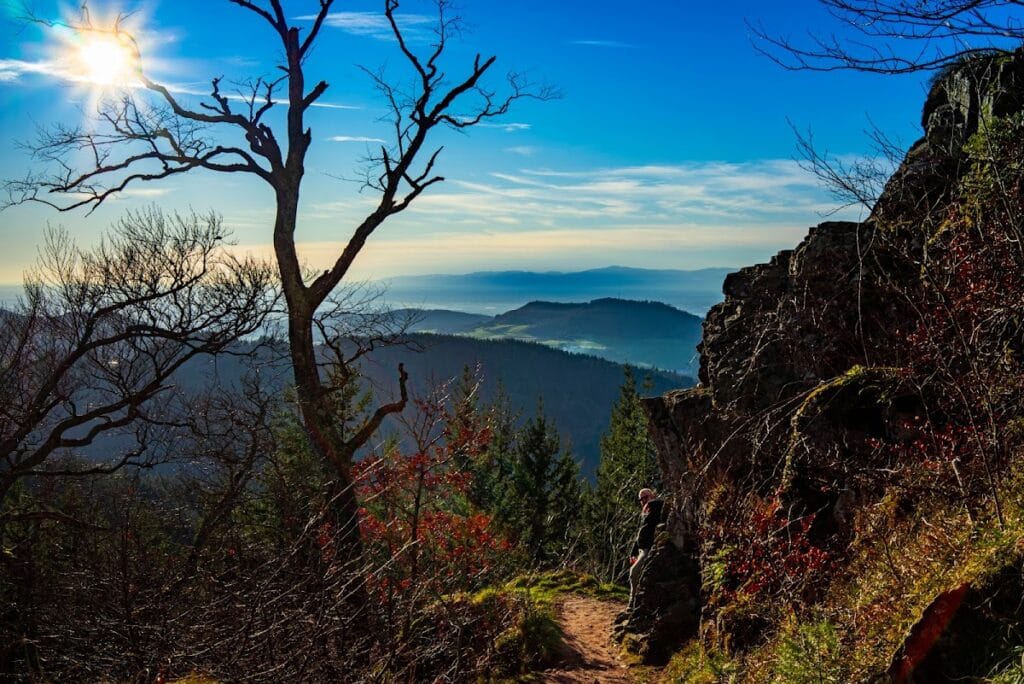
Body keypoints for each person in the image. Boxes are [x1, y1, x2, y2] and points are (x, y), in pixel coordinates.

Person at [628, 487, 663, 609]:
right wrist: (633, 552)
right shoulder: (645, 512)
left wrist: (651, 503)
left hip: (648, 548)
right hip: (641, 549)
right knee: (637, 574)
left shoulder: (656, 507)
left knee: (634, 573)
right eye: (641, 499)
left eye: (645, 497)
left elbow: (658, 505)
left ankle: (633, 602)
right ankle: (635, 602)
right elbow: (639, 534)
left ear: (652, 495)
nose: (643, 500)